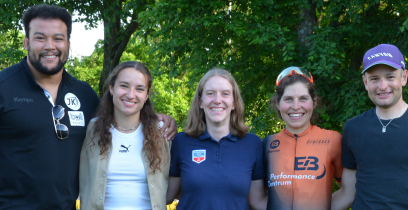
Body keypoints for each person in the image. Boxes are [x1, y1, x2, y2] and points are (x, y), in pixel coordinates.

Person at [0, 4, 176, 209]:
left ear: (68, 44)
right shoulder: (4, 87)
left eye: (58, 38)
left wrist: (159, 118)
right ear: (26, 42)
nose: (50, 46)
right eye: (40, 38)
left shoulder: (84, 94)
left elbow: (120, 116)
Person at [166, 68, 267, 210]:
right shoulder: (181, 142)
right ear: (201, 101)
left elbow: (258, 201)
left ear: (234, 103)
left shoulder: (253, 144)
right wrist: (152, 120)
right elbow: (165, 196)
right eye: (210, 94)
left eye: (225, 94)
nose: (217, 100)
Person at [79, 61, 171, 210]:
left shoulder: (162, 132)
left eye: (139, 89)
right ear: (111, 88)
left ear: (147, 94)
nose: (130, 95)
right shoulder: (91, 130)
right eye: (124, 86)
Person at [331, 44, 408, 209]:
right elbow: (348, 193)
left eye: (390, 77)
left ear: (404, 77)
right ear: (365, 82)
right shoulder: (353, 128)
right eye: (374, 79)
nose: (382, 86)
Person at [263, 67, 342, 210]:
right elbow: (256, 197)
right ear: (278, 104)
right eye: (288, 99)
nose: (296, 106)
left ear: (314, 102)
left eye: (303, 99)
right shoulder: (266, 144)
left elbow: (349, 191)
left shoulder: (333, 140)